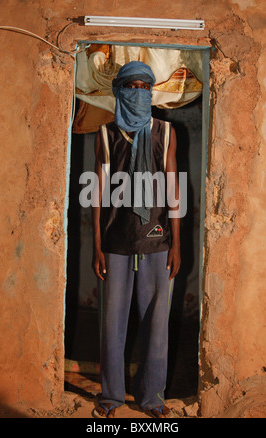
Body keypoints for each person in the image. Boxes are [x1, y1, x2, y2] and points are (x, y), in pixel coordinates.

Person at [91, 61, 181, 418]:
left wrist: (177, 242)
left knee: (156, 324)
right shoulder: (105, 133)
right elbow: (97, 194)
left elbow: (173, 187)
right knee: (112, 324)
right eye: (132, 86)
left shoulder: (166, 132)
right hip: (115, 242)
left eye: (146, 87)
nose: (139, 93)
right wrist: (96, 245)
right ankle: (111, 397)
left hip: (157, 239)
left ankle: (151, 398)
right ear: (119, 91)